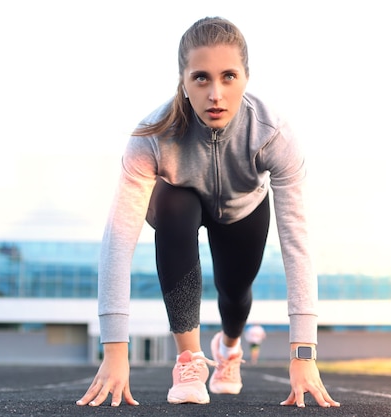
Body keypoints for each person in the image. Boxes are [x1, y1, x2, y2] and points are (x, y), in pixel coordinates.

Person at [76, 16, 339, 409]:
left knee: (235, 294)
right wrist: (115, 350)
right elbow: (118, 239)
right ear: (183, 81)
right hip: (182, 205)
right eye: (201, 78)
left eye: (228, 76)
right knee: (173, 201)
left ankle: (228, 348)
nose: (216, 93)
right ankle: (189, 360)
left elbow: (297, 244)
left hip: (244, 211)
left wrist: (304, 355)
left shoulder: (272, 132)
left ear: (246, 78)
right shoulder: (152, 136)